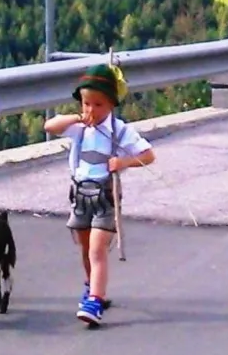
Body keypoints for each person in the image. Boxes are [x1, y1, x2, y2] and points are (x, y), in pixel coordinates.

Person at [43, 63, 154, 327]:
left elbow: (148, 155)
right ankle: (91, 284)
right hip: (80, 193)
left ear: (112, 104)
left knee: (97, 248)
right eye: (86, 104)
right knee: (84, 246)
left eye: (98, 105)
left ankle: (95, 299)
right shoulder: (79, 127)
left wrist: (123, 163)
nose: (91, 110)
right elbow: (50, 126)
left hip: (105, 195)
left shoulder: (120, 130)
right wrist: (75, 119)